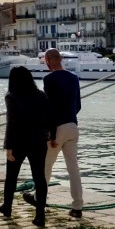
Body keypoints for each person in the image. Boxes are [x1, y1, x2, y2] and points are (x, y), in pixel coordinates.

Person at [24, 48, 83, 218]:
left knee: (45, 166)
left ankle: (38, 199)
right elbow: (77, 105)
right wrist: (69, 118)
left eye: (45, 60)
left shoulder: (48, 79)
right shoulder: (74, 78)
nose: (45, 64)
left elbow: (49, 108)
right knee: (73, 168)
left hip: (57, 128)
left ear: (49, 60)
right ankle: (77, 207)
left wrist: (52, 134)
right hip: (72, 125)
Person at [0, 65, 49, 228]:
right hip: (38, 141)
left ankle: (7, 207)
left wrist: (8, 146)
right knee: (39, 178)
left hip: (19, 141)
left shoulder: (12, 96)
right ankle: (40, 215)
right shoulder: (41, 95)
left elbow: (11, 122)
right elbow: (48, 118)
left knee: (11, 176)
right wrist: (47, 136)